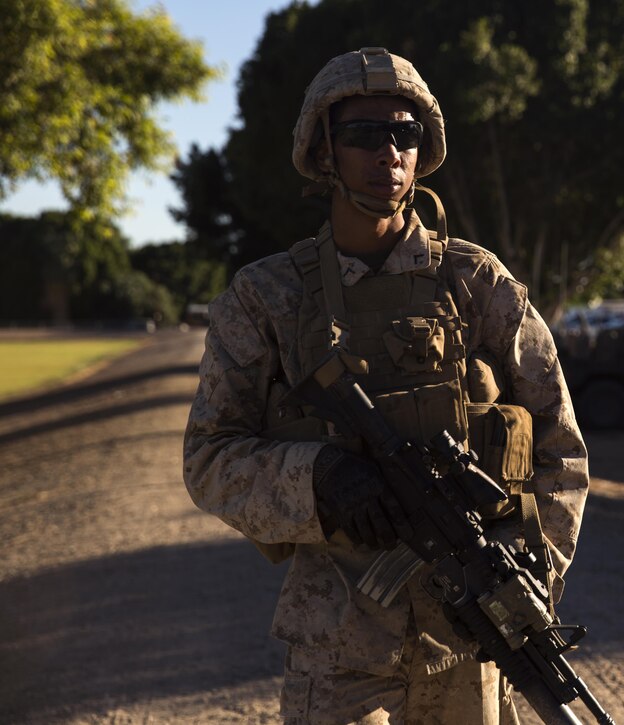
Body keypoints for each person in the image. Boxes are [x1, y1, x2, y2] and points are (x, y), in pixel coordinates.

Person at [183, 47, 589, 724]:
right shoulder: (268, 297)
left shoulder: (476, 283)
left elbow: (559, 445)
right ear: (323, 153)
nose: (389, 152)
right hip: (340, 653)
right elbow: (209, 457)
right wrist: (317, 477)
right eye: (365, 135)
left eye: (405, 134)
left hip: (470, 644)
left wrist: (527, 582)